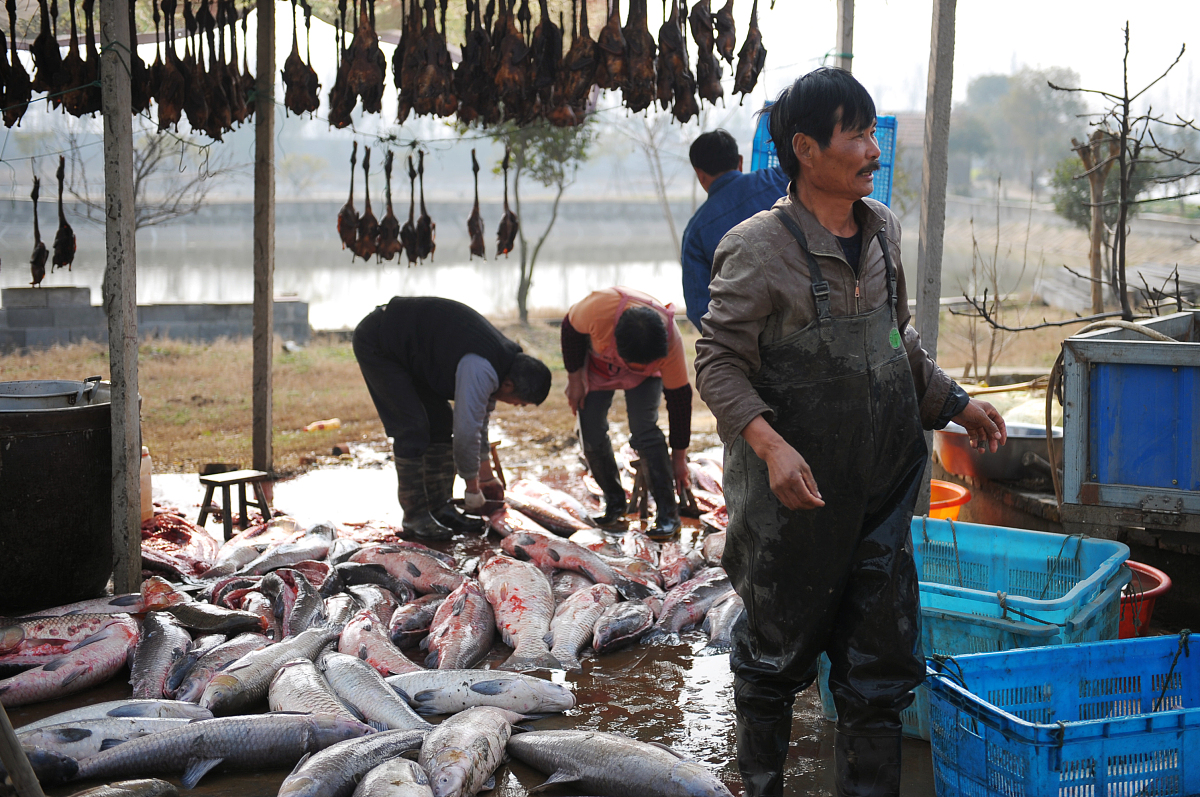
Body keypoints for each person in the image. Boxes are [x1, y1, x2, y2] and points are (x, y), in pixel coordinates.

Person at [694, 68, 1007, 797]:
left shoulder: (884, 229)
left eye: (872, 131)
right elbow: (718, 363)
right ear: (806, 148)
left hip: (884, 496)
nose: (872, 148)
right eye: (857, 134)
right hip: (790, 510)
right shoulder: (756, 247)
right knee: (773, 666)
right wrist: (769, 445)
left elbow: (895, 343)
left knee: (879, 676)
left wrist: (955, 402)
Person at [353, 296, 552, 540]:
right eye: (520, 403)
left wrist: (486, 476)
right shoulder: (482, 368)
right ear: (509, 385)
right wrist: (472, 488)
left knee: (441, 422)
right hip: (382, 342)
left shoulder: (503, 365)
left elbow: (479, 424)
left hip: (415, 354)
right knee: (412, 428)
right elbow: (466, 432)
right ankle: (415, 517)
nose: (516, 406)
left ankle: (441, 508)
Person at [561, 287, 692, 540]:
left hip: (645, 381)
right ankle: (614, 504)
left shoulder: (670, 342)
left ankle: (668, 515)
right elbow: (570, 329)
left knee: (644, 428)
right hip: (599, 367)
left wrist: (679, 459)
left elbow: (679, 403)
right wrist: (574, 379)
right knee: (590, 431)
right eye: (635, 365)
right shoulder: (597, 310)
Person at [680, 129, 790, 331]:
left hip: (749, 341)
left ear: (699, 174)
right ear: (739, 161)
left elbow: (700, 311)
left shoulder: (695, 233)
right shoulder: (779, 179)